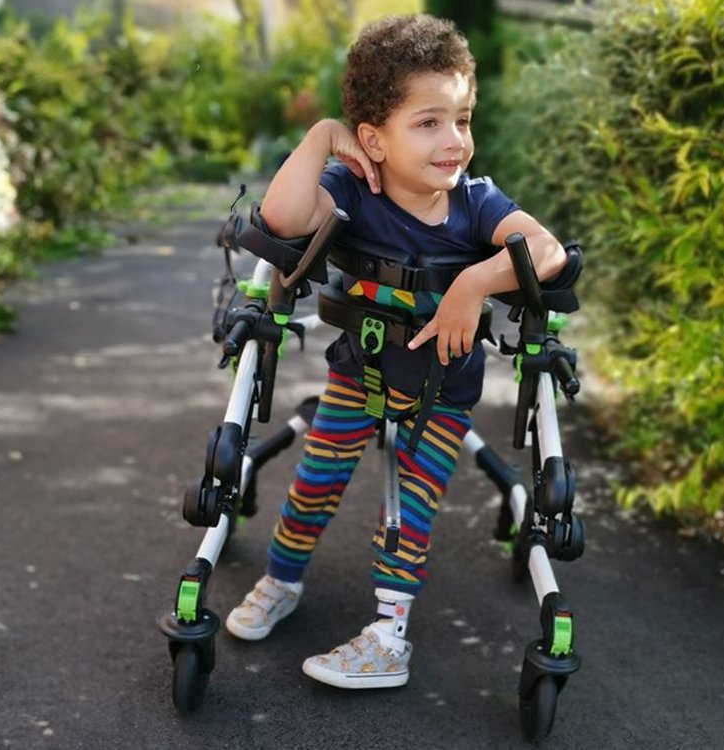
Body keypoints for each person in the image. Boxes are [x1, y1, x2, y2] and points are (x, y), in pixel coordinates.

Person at [225, 13, 567, 689]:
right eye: (429, 122)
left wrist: (475, 280)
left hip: (443, 391)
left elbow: (549, 253)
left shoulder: (475, 205)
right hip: (360, 375)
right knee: (313, 485)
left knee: (411, 510)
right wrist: (325, 137)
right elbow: (283, 221)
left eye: (463, 119)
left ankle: (388, 635)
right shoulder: (354, 191)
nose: (455, 141)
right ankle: (283, 580)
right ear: (374, 140)